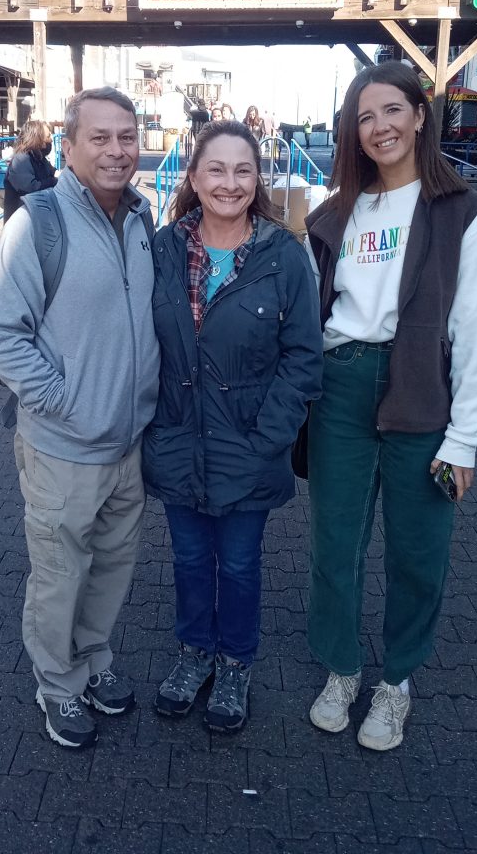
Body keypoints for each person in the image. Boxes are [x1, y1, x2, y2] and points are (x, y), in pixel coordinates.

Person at [305, 61, 477, 752]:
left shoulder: (463, 214)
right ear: (353, 133)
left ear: (421, 114)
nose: (380, 127)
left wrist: (465, 439)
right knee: (335, 545)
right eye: (365, 117)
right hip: (343, 386)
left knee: (419, 552)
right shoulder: (333, 215)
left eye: (392, 111)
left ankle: (397, 685)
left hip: (423, 391)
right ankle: (342, 670)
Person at [0, 87, 159, 749]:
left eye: (126, 136)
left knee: (112, 569)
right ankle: (58, 687)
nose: (116, 150)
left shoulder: (143, 218)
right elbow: (2, 338)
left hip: (127, 445)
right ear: (70, 144)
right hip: (62, 446)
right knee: (60, 576)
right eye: (100, 137)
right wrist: (66, 404)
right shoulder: (39, 221)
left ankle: (96, 664)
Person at [143, 120, 322, 733]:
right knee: (191, 560)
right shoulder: (162, 248)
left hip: (250, 448)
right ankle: (195, 654)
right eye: (215, 169)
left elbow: (304, 356)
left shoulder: (282, 256)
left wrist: (268, 437)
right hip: (177, 442)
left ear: (258, 179)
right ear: (193, 178)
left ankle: (236, 663)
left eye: (243, 170)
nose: (229, 182)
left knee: (241, 564)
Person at [2, 119, 58, 223]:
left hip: (38, 220)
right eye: (48, 136)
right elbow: (30, 188)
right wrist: (54, 181)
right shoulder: (21, 159)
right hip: (21, 225)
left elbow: (53, 172)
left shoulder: (39, 158)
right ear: (37, 138)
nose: (51, 140)